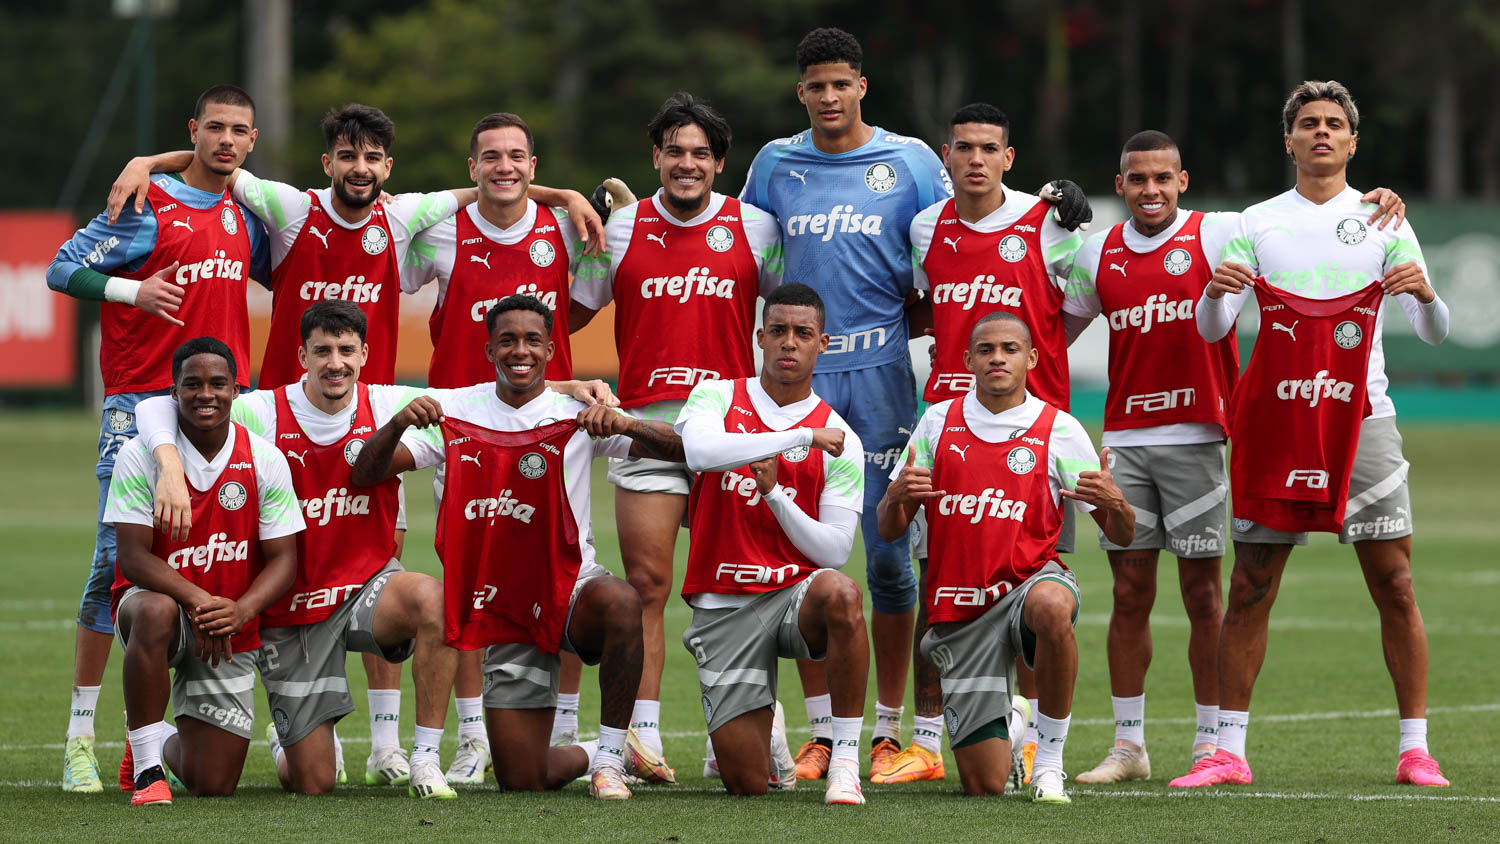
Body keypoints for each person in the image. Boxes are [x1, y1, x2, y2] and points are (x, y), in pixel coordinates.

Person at [740, 28, 1092, 778]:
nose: (830, 98)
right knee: (799, 554)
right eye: (816, 86)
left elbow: (973, 230)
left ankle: (893, 732)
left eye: (842, 84)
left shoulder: (912, 163)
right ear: (800, 92)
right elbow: (742, 249)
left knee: (895, 561)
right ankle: (821, 733)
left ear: (862, 86)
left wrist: (1057, 201)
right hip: (800, 377)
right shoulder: (773, 163)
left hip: (884, 380)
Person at [1062, 130, 1407, 784]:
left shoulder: (1221, 232)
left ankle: (1209, 741)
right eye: (1137, 179)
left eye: (1163, 178)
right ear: (1120, 186)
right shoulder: (1097, 250)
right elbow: (1056, 337)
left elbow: (1306, 224)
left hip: (1200, 439)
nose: (1151, 190)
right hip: (1128, 441)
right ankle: (1128, 745)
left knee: (1202, 594)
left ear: (1183, 181)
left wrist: (1374, 202)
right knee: (1130, 593)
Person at [1175, 81, 1451, 789]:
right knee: (1251, 584)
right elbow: (1213, 330)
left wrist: (1425, 295)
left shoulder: (1385, 218)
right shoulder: (1255, 222)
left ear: (1353, 142)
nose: (1321, 133)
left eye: (1334, 124)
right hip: (1277, 423)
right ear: (1289, 140)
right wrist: (1212, 293)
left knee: (1394, 582)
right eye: (1308, 124)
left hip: (1367, 419)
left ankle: (1415, 749)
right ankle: (1228, 753)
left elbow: (1433, 330)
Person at [350, 295, 683, 799]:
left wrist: (628, 423)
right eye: (507, 340)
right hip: (503, 609)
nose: (519, 351)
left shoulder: (577, 412)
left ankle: (611, 762)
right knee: (522, 779)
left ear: (551, 350)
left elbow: (684, 451)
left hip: (569, 588)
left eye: (531, 341)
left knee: (621, 601)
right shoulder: (458, 410)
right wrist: (397, 422)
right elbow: (365, 473)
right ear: (489, 350)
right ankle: (601, 750)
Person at [128, 302, 461, 797]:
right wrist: (169, 463)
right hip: (271, 609)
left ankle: (426, 760)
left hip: (357, 594)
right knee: (293, 781)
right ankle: (171, 745)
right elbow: (160, 405)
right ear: (301, 354)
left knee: (435, 599)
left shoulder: (387, 403)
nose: (335, 362)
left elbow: (488, 401)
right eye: (322, 350)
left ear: (365, 354)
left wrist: (565, 389)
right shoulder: (260, 411)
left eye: (347, 350)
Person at [46, 84, 270, 793]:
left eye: (239, 130)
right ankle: (81, 737)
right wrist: (130, 292)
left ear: (253, 140)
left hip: (223, 412)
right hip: (140, 402)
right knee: (116, 564)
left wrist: (149, 154)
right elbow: (60, 268)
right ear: (193, 130)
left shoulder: (250, 214)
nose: (226, 140)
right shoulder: (147, 205)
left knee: (231, 555)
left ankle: (155, 732)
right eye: (214, 129)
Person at [570, 92, 783, 770]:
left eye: (700, 153)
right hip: (643, 424)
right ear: (655, 158)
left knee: (745, 585)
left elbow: (791, 320)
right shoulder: (622, 228)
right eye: (674, 152)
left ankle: (755, 732)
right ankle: (644, 737)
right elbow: (567, 315)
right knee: (649, 584)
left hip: (730, 428)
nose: (686, 163)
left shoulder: (758, 228)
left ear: (719, 163)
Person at [884, 102, 1087, 785]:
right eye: (963, 147)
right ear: (947, 156)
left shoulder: (1047, 222)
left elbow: (1082, 304)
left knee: (1033, 586)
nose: (975, 158)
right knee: (931, 577)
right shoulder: (924, 226)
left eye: (988, 147)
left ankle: (1030, 726)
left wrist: (1037, 372)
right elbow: (921, 303)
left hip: (1031, 433)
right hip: (946, 426)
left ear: (1009, 157)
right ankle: (925, 741)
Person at [400, 111, 601, 783]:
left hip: (544, 428)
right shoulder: (439, 235)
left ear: (534, 166)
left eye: (517, 156)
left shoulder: (567, 233)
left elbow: (598, 288)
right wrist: (564, 192)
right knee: (466, 585)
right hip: (463, 434)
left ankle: (566, 727)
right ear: (471, 168)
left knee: (559, 569)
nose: (504, 167)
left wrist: (571, 200)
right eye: (491, 156)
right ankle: (470, 736)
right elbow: (391, 235)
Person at [877, 312, 1134, 801]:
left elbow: (1121, 535)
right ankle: (1013, 724)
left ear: (1031, 359)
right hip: (961, 612)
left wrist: (1115, 502)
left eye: (1010, 349)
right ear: (968, 359)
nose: (998, 357)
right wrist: (895, 499)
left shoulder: (1059, 428)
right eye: (987, 349)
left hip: (1028, 589)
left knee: (1053, 608)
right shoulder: (936, 422)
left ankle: (1050, 762)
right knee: (984, 785)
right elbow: (889, 527)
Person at [674, 283, 868, 803]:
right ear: (760, 336)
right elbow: (699, 451)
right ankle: (772, 743)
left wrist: (775, 494)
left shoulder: (841, 435)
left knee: (843, 593)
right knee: (748, 784)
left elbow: (833, 551)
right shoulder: (718, 395)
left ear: (822, 343)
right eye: (778, 330)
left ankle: (844, 762)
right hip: (724, 604)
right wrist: (798, 438)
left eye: (802, 333)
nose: (789, 342)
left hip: (793, 598)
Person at [104, 338, 303, 805]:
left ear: (237, 390)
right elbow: (132, 559)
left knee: (213, 784)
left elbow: (285, 560)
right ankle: (148, 768)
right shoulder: (139, 456)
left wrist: (241, 609)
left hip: (226, 622)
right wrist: (196, 599)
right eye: (191, 384)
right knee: (155, 611)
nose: (205, 394)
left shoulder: (264, 458)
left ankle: (150, 730)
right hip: (164, 609)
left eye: (218, 384)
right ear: (173, 393)